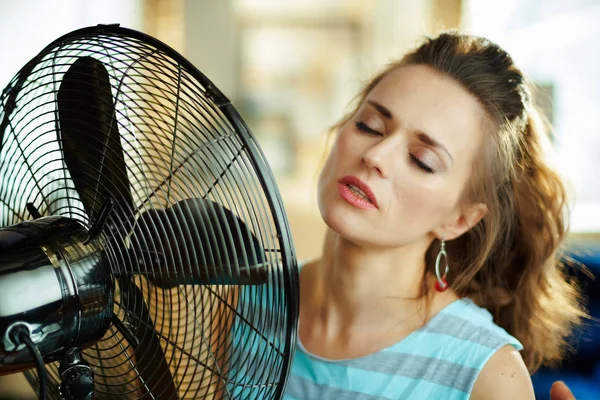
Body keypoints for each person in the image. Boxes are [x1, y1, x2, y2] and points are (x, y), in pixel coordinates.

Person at [281, 31, 586, 399]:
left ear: (459, 219)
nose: (375, 156)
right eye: (369, 126)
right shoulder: (246, 302)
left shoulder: (487, 374)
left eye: (421, 161)